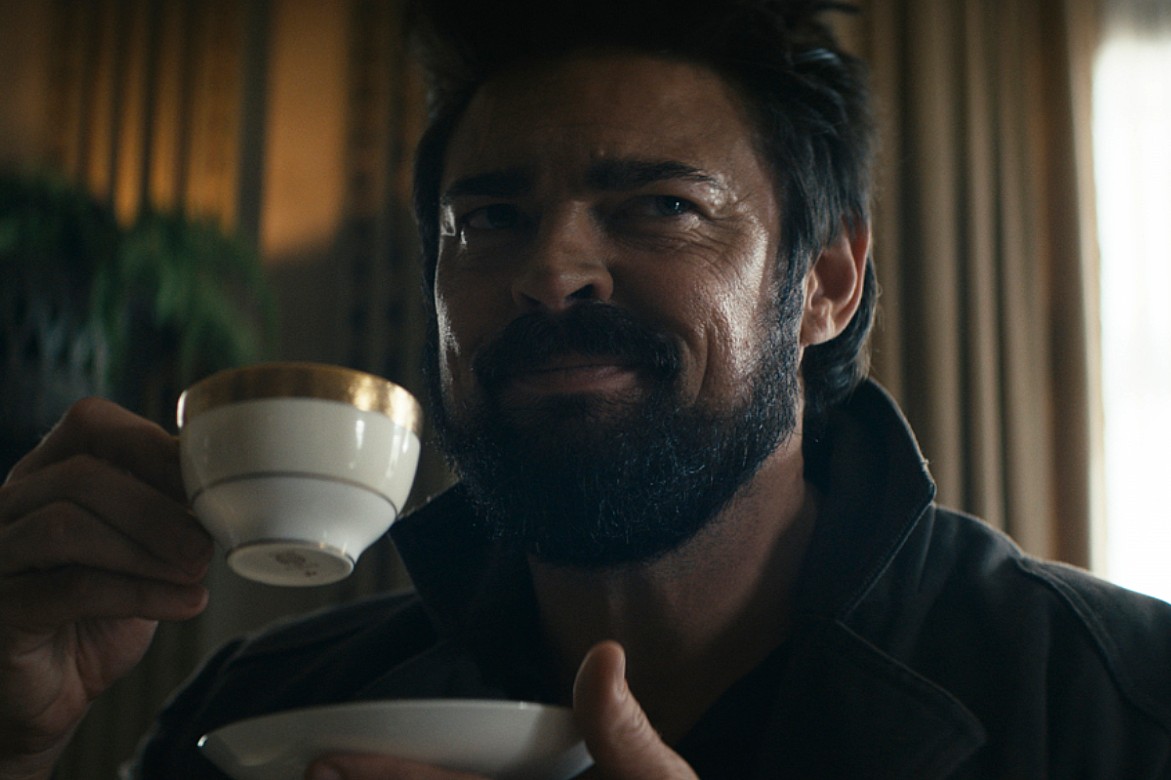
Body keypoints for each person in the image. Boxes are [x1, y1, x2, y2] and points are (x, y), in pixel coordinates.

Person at [3, 1, 1171, 777]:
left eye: (661, 204)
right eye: (488, 220)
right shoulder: (259, 716)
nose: (551, 270)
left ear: (824, 282)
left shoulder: (1120, 700)